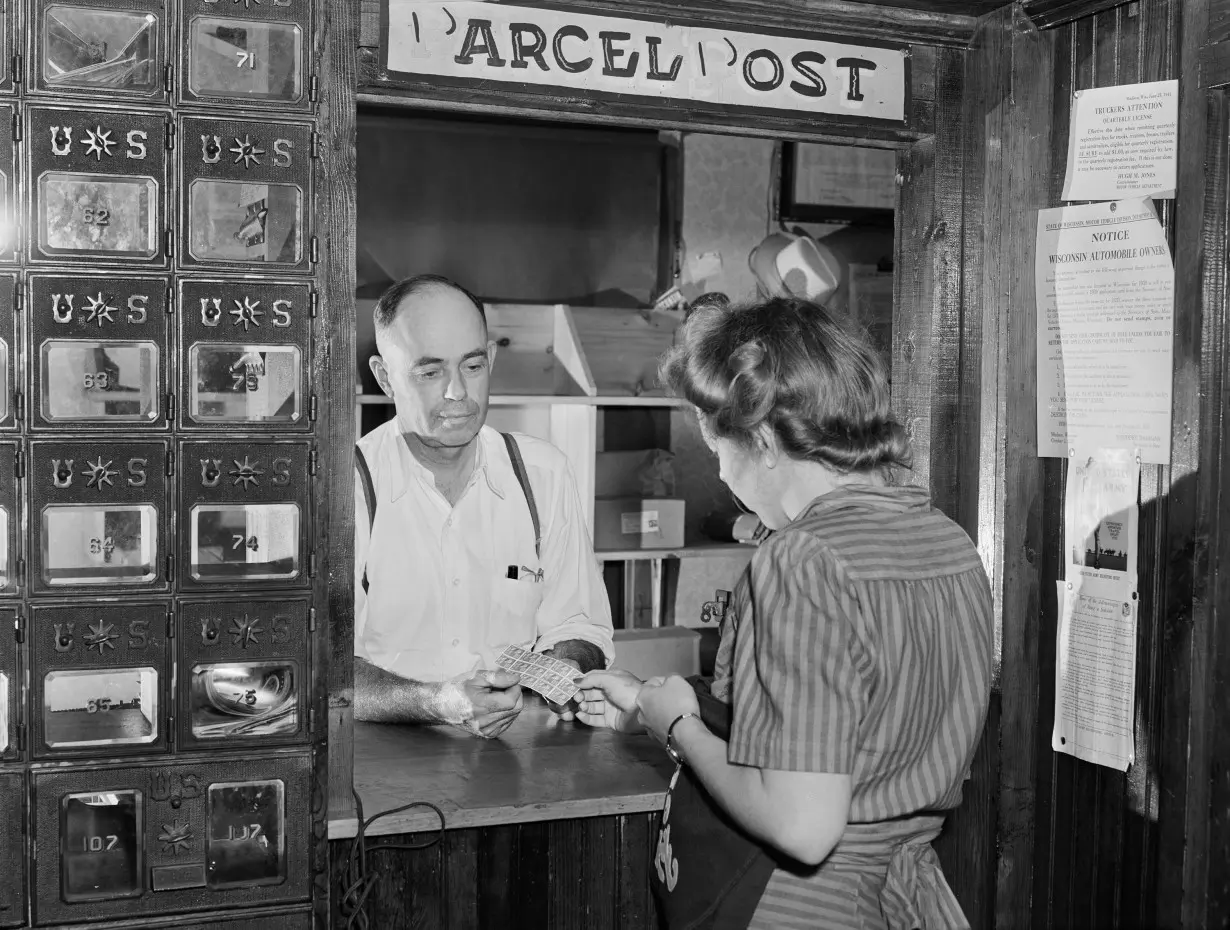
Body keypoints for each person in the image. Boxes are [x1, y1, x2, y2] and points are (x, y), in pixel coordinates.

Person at [577, 297, 994, 928]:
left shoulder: (803, 561)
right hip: (906, 898)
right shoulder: (948, 542)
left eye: (716, 447)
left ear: (766, 442)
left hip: (803, 904)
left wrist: (678, 732)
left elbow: (801, 825)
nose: (720, 473)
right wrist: (646, 702)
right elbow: (844, 723)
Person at [353, 274, 614, 738]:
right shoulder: (347, 486)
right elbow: (321, 667)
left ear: (491, 358)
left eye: (472, 367)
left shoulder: (543, 475)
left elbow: (582, 622)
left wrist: (563, 669)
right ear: (384, 378)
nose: (457, 392)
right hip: (378, 768)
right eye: (430, 372)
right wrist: (441, 703)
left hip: (512, 761)